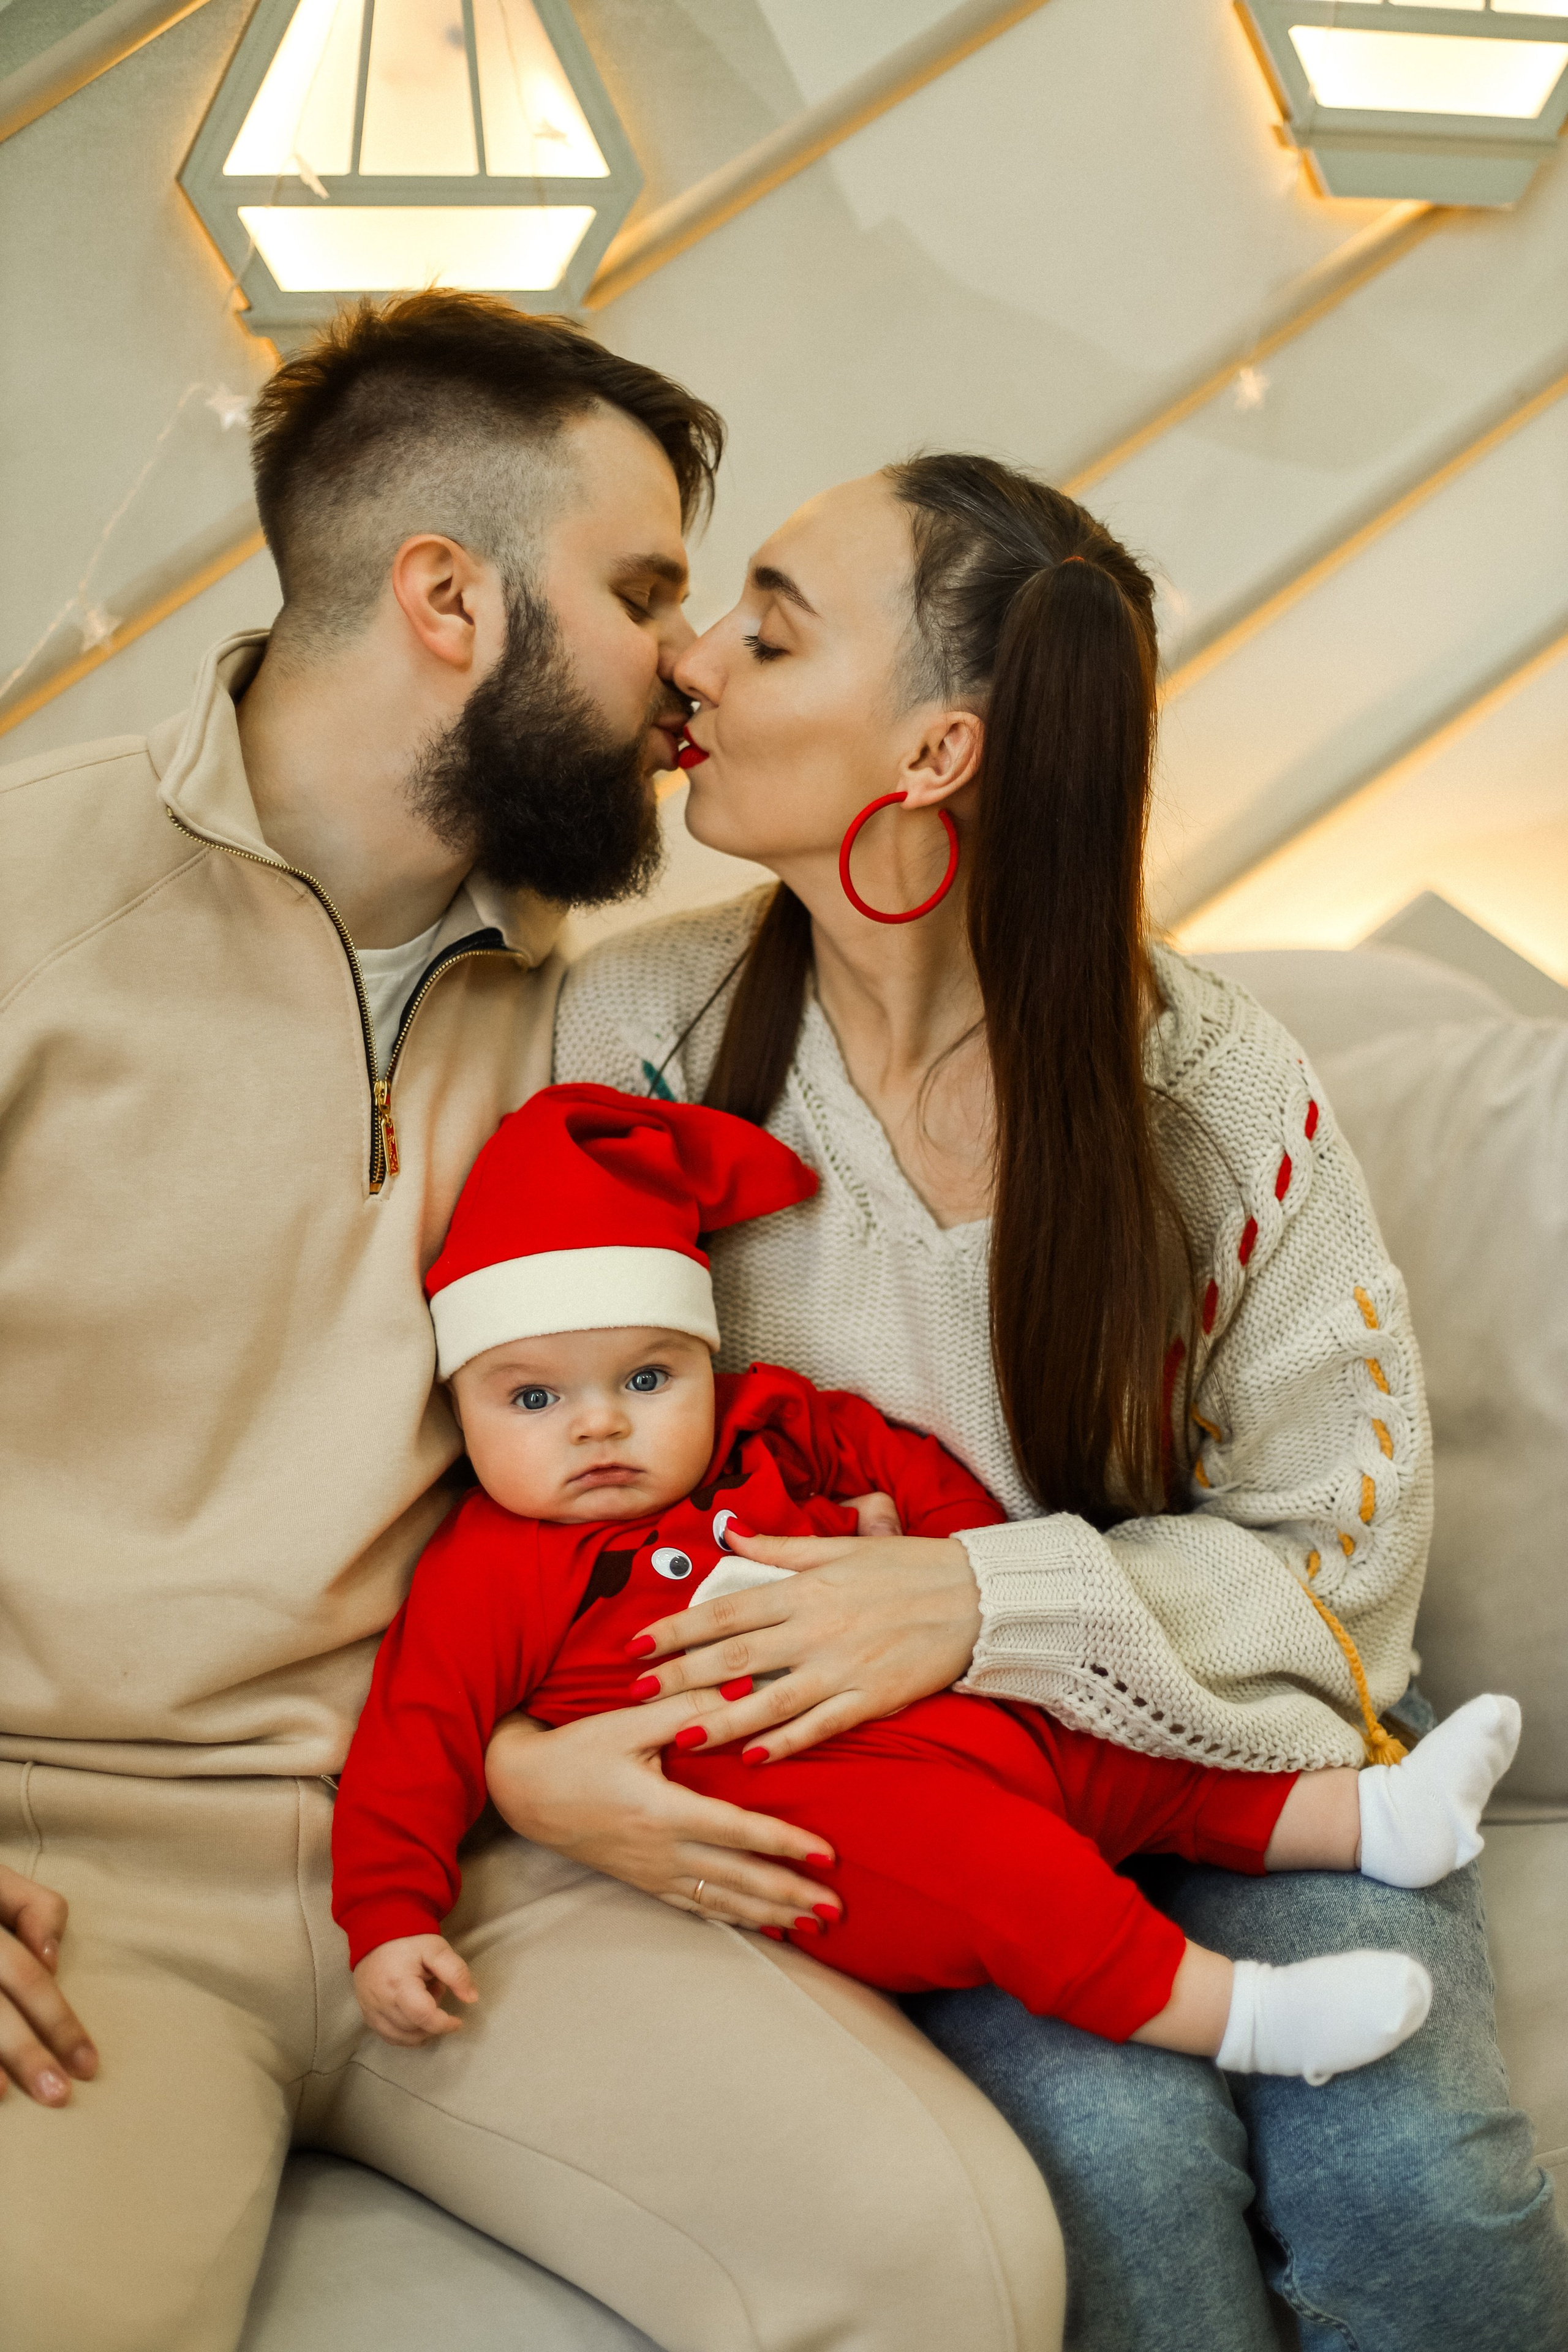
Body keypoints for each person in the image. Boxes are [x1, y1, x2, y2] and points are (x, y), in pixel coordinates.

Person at [0, 305, 1065, 2352]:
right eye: (647, 593)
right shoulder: (27, 901)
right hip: (82, 1863)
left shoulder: (606, 991)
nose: (692, 663)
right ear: (449, 599)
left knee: (959, 2263)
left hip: (483, 1826)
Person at [509, 452, 1568, 2350]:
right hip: (912, 1789)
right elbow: (543, 1482)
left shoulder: (1218, 1092)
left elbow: (1345, 1554)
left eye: (770, 631)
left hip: (1253, 1747)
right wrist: (526, 1759)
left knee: (1416, 2196)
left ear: (934, 755)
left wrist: (984, 1599)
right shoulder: (633, 1036)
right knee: (1123, 2180)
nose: (694, 660)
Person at [336, 1082, 1518, 2092]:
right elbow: (413, 1735)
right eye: (532, 1398)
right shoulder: (494, 1567)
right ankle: (1247, 2018)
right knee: (1005, 1872)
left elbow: (901, 1461)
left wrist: (961, 1568)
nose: (597, 1425)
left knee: (1124, 1740)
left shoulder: (770, 1423)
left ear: (705, 1360)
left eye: (647, 1379)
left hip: (948, 1704)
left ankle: (1374, 1820)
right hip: (823, 1816)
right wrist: (388, 1919)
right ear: (459, 1409)